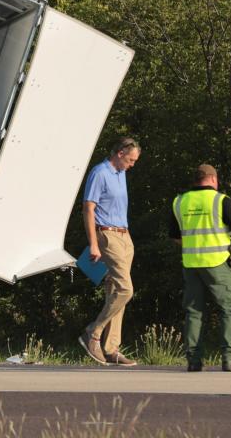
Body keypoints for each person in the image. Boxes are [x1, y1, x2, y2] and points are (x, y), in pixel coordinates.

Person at [170, 164, 231, 372]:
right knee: (229, 308)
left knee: (194, 311)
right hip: (217, 262)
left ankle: (194, 360)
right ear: (213, 179)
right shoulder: (220, 200)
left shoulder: (179, 202)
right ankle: (230, 359)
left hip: (191, 263)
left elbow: (175, 237)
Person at [78, 137, 141, 366]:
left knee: (116, 289)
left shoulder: (120, 173)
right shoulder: (100, 172)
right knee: (126, 289)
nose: (132, 165)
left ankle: (111, 348)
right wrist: (94, 243)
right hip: (107, 234)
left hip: (125, 236)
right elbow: (88, 208)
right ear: (121, 152)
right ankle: (92, 333)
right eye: (131, 159)